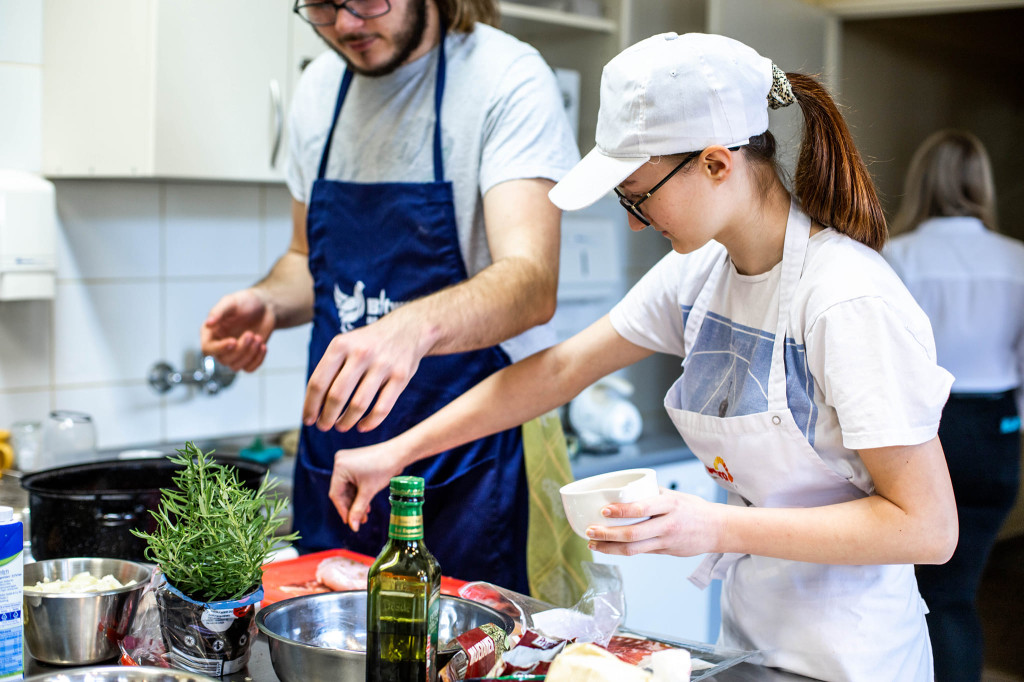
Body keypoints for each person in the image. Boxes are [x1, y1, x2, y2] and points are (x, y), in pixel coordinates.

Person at [323, 32, 961, 680]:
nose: (633, 221)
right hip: (749, 647)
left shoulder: (845, 299)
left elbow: (927, 528)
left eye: (638, 193)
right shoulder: (700, 275)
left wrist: (711, 527)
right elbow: (558, 371)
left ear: (718, 163)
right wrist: (396, 453)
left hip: (856, 659)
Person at [199, 0, 591, 600]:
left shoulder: (504, 76)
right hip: (338, 461)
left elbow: (532, 282)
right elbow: (308, 260)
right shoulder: (318, 89)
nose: (348, 25)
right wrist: (269, 302)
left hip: (475, 466)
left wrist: (410, 329)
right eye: (324, 7)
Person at [883, 129, 1024, 682]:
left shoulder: (897, 256)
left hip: (926, 430)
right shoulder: (1018, 259)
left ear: (921, 181)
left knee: (917, 595)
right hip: (996, 430)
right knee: (957, 593)